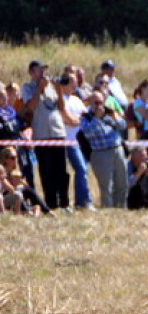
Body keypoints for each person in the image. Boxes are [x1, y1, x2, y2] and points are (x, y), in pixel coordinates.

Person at [20, 59, 71, 210]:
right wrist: (39, 89)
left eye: (44, 70)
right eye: (39, 70)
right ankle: (51, 203)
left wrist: (59, 90)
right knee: (47, 170)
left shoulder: (52, 88)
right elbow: (31, 106)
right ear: (31, 73)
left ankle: (64, 202)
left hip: (57, 132)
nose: (43, 73)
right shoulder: (27, 87)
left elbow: (61, 107)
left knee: (62, 170)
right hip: (42, 134)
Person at [78, 90, 128, 207]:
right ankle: (108, 209)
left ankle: (121, 207)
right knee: (106, 186)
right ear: (90, 102)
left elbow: (123, 126)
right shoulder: (86, 117)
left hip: (117, 149)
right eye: (95, 102)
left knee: (122, 183)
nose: (99, 105)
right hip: (101, 153)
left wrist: (115, 116)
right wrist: (97, 118)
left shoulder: (109, 114)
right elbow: (88, 133)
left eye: (101, 102)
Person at [57, 68, 94, 211]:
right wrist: (76, 120)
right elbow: (67, 120)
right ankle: (64, 202)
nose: (76, 84)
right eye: (73, 81)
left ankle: (83, 201)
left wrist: (76, 120)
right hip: (63, 141)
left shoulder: (76, 100)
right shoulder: (59, 100)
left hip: (75, 142)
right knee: (64, 173)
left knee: (82, 169)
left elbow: (85, 117)